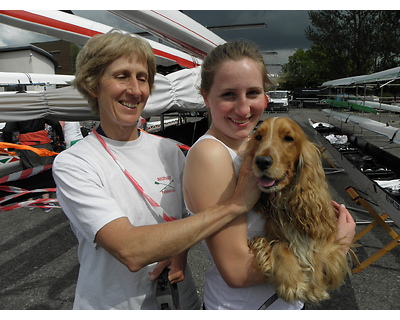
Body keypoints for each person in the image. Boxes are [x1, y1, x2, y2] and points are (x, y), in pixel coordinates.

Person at [52, 31, 261, 310]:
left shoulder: (171, 151)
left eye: (142, 78)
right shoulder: (75, 163)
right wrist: (234, 205)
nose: (135, 90)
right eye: (121, 76)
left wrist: (181, 248)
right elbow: (130, 249)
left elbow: (192, 218)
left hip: (181, 303)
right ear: (92, 84)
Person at [182, 40, 356, 310]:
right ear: (206, 97)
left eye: (252, 92)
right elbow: (237, 272)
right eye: (228, 94)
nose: (243, 109)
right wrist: (339, 244)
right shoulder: (211, 155)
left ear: (265, 96)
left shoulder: (254, 144)